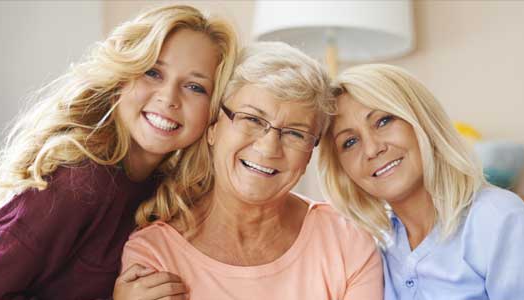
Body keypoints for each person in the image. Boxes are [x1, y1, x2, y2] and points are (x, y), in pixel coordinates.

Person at [0, 5, 237, 299]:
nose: (169, 97)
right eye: (153, 72)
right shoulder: (73, 185)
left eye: (195, 87)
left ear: (213, 111)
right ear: (123, 75)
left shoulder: (165, 192)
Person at [121, 42, 383, 299]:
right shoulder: (153, 255)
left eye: (295, 133)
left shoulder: (347, 240)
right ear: (213, 128)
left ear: (308, 156)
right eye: (252, 119)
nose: (269, 148)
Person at [317, 64, 524, 300]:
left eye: (383, 121)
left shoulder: (499, 220)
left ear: (422, 121)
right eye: (349, 142)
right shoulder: (373, 246)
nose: (372, 149)